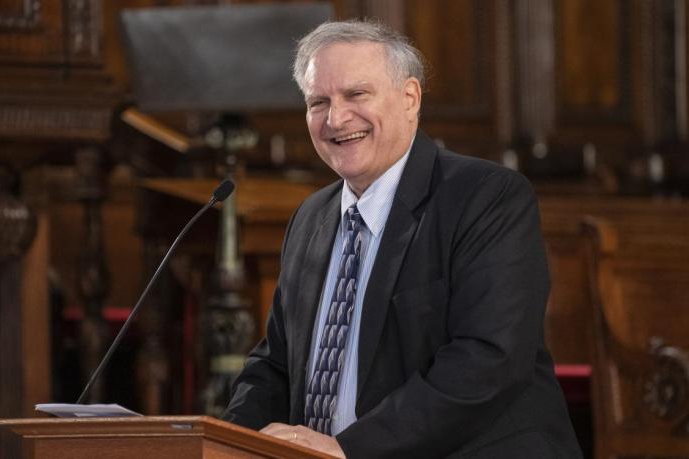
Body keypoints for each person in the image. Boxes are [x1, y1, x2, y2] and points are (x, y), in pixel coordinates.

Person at [222, 20, 581, 459]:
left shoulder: (486, 197)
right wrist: (227, 444)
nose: (336, 118)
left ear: (410, 98)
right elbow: (275, 363)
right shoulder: (311, 216)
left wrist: (348, 449)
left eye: (356, 95)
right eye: (319, 102)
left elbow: (489, 358)